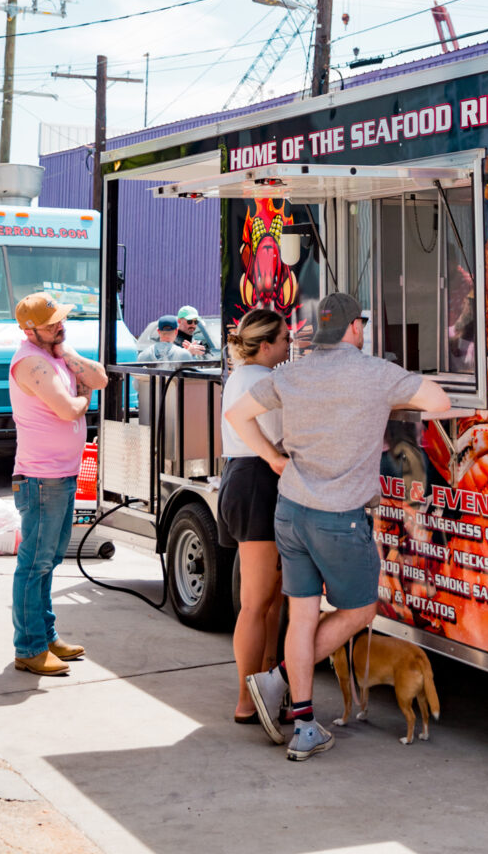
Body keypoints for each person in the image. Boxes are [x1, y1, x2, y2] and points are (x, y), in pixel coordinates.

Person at [225, 292, 450, 761]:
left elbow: (235, 415)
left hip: (290, 512)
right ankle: (278, 680)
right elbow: (440, 401)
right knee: (360, 612)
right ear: (354, 329)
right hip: (339, 519)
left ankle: (304, 725)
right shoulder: (374, 374)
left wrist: (272, 457)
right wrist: (380, 404)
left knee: (302, 616)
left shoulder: (292, 372)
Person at [9, 292, 108, 676]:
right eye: (51, 323)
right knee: (34, 564)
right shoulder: (31, 362)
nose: (59, 325)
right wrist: (82, 397)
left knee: (48, 562)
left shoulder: (53, 353)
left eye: (60, 319)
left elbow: (98, 378)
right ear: (29, 329)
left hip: (59, 476)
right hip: (41, 478)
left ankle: (45, 637)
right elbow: (68, 407)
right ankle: (29, 648)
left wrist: (67, 354)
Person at [218, 308, 290, 724]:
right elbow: (278, 436)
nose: (288, 345)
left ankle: (265, 686)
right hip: (257, 481)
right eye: (283, 339)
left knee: (269, 597)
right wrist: (275, 459)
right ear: (265, 345)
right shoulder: (264, 381)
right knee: (257, 601)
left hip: (245, 477)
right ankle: (248, 699)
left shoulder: (243, 376)